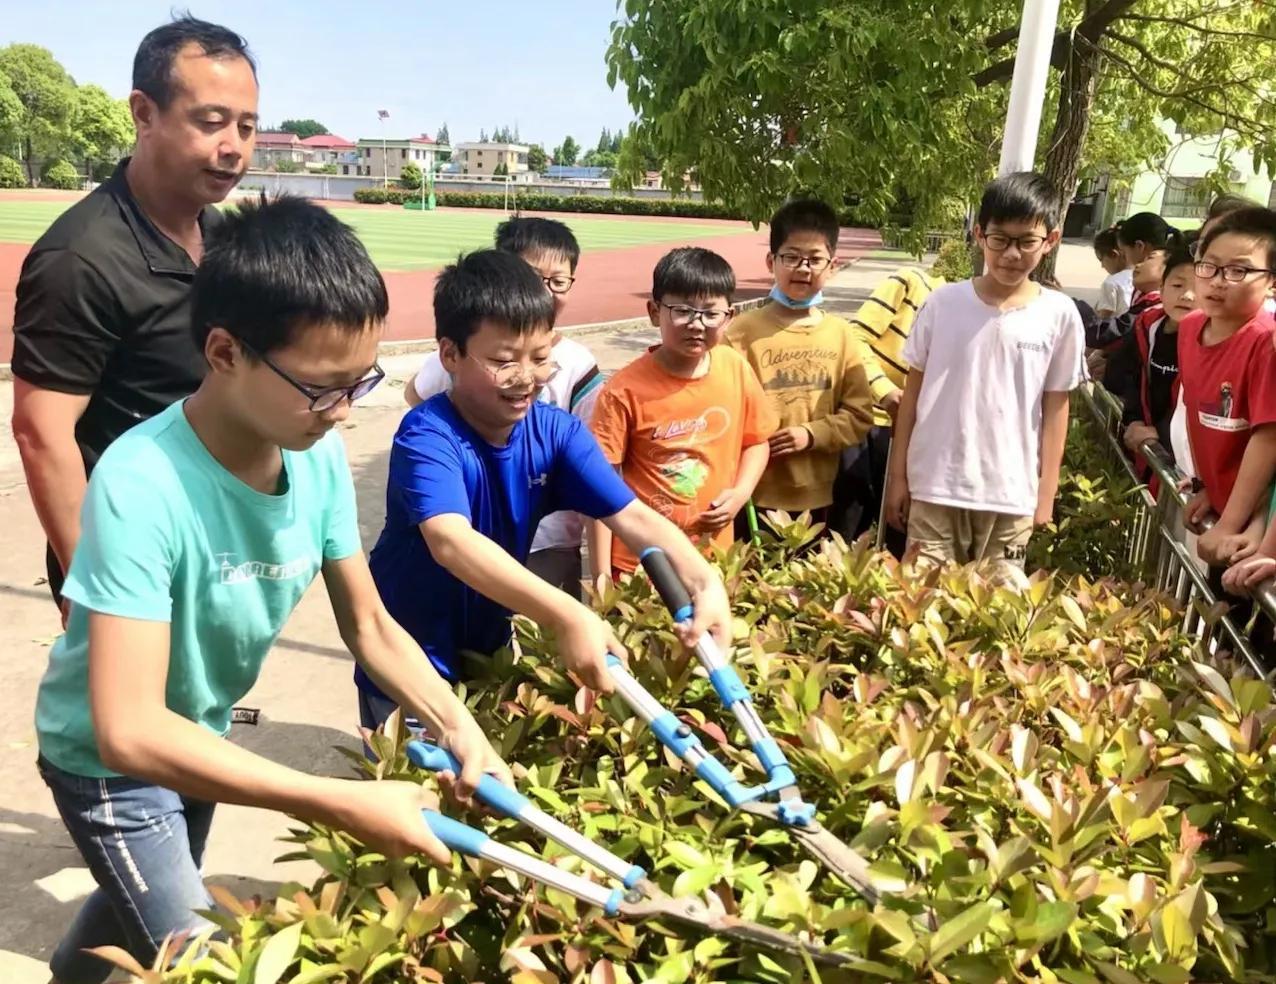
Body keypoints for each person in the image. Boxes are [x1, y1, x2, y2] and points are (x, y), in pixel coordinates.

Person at [33, 197, 511, 984]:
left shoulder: (314, 455)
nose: (341, 413)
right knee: (209, 959)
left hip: (198, 733)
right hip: (107, 760)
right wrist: (333, 799)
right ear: (224, 351)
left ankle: (67, 972)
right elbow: (126, 728)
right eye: (322, 388)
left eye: (359, 385)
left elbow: (372, 627)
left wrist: (459, 725)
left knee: (145, 885)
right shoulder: (139, 480)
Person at [360, 249, 733, 728]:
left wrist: (704, 581)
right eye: (502, 360)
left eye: (540, 358)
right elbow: (450, 542)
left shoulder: (557, 433)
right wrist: (568, 615)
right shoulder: (427, 435)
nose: (526, 378)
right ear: (449, 354)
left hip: (489, 657)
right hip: (407, 664)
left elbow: (633, 517)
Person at [11, 16, 259, 619]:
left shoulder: (222, 236)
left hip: (213, 537)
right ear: (144, 113)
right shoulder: (81, 259)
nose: (234, 146)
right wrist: (94, 588)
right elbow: (42, 433)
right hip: (127, 551)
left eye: (247, 126)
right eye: (211, 122)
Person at [885, 172, 1086, 581]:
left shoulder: (1060, 315)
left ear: (1051, 240)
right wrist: (898, 478)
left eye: (1026, 241)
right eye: (1000, 239)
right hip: (935, 488)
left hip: (1011, 496)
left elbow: (1056, 407)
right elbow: (912, 398)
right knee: (923, 608)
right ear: (979, 234)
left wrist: (1045, 493)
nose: (1012, 254)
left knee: (998, 613)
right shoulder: (942, 304)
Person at [404, 217, 601, 598]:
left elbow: (600, 468)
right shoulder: (467, 351)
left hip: (548, 543)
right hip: (472, 535)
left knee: (542, 649)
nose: (544, 292)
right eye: (531, 277)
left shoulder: (578, 364)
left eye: (558, 281)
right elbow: (418, 395)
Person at [589, 247, 775, 580]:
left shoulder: (735, 368)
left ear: (729, 316)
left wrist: (740, 493)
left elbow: (757, 441)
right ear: (653, 311)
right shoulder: (623, 391)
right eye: (683, 311)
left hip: (715, 558)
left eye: (710, 313)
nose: (697, 324)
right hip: (641, 565)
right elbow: (599, 485)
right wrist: (603, 575)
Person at [724, 198, 874, 531]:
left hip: (822, 500)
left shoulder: (841, 335)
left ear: (832, 265)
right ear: (771, 261)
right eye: (791, 257)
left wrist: (812, 434)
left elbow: (861, 415)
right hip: (752, 496)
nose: (802, 268)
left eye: (815, 259)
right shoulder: (741, 333)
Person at [1176, 208, 1276, 575]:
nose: (1218, 281)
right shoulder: (1189, 328)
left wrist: (1231, 523)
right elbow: (1199, 413)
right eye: (1209, 265)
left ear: (1271, 281)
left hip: (1254, 525)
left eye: (1239, 270)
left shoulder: (1266, 342)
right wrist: (1207, 488)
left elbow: (1268, 438)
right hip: (1226, 509)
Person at [831, 267, 942, 555]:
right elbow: (854, 336)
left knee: (900, 537)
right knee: (846, 535)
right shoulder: (913, 283)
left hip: (916, 438)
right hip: (867, 423)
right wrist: (884, 391)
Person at [1117, 235, 1197, 481]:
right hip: (1143, 445)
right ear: (1161, 288)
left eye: (1198, 288)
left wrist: (1159, 434)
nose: (1188, 296)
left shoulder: (1212, 343)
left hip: (1186, 463)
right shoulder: (1148, 327)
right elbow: (1129, 376)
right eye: (1177, 286)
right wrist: (1134, 421)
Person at [1093, 225, 1133, 319]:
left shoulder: (1111, 283)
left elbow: (1103, 319)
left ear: (1114, 254)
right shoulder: (1141, 277)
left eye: (1101, 259)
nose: (1102, 266)